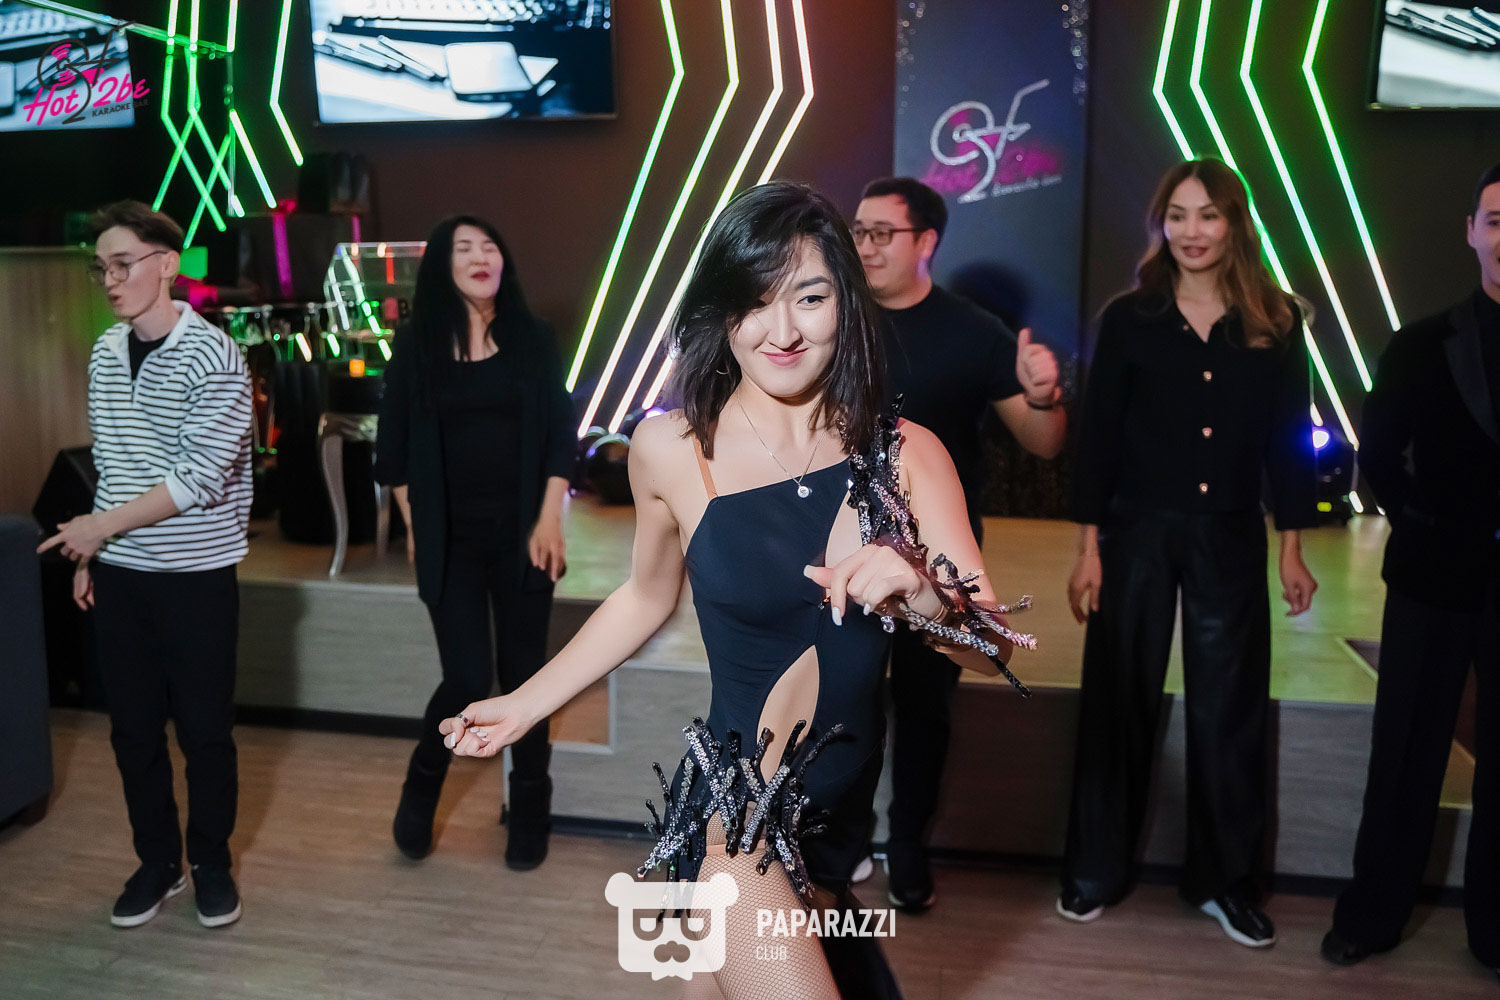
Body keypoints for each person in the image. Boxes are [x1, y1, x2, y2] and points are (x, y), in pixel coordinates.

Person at [439, 182, 1030, 998]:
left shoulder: (909, 454)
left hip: (836, 824)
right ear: (721, 312)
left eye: (809, 298)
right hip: (736, 817)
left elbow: (996, 649)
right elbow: (645, 597)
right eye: (754, 302)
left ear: (847, 302)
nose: (781, 331)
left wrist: (924, 592)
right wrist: (524, 704)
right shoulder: (672, 447)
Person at [1058, 158, 1318, 947]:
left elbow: (1289, 442)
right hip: (1135, 533)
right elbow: (1097, 441)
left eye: (1208, 215)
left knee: (1229, 709)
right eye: (1178, 215)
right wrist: (1087, 547)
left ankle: (1224, 883)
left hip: (1230, 533)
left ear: (1234, 223)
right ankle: (1095, 869)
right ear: (1160, 223)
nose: (1192, 231)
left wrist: (1292, 548)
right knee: (1118, 700)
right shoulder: (1129, 318)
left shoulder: (1276, 321)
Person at [853, 176, 1066, 910]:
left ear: (927, 242)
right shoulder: (833, 321)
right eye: (859, 231)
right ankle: (844, 838)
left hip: (936, 565)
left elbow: (1042, 442)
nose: (866, 246)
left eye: (883, 233)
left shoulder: (975, 332)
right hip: (840, 550)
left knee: (925, 709)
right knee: (844, 702)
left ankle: (908, 844)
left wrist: (1043, 397)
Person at [39, 201, 253, 929]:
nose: (109, 279)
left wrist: (97, 527)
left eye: (123, 264)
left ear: (167, 264)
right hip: (122, 572)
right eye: (101, 268)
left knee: (204, 732)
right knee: (132, 731)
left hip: (197, 577)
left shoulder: (215, 356)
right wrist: (92, 552)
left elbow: (197, 480)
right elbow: (113, 462)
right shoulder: (105, 351)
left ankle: (212, 864)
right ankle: (158, 862)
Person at [1321, 163, 1500, 974]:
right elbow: (1380, 457)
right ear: (1471, 232)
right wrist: (1429, 525)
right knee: (1404, 756)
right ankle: (1371, 916)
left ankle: (1495, 933)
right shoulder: (1423, 343)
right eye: (1495, 220)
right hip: (1433, 578)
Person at [374, 215, 574, 870]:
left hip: (524, 535)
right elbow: (392, 451)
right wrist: (414, 526)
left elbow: (560, 435)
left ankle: (530, 805)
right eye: (463, 248)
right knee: (464, 677)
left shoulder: (532, 338)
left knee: (523, 675)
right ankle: (423, 782)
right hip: (449, 539)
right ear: (442, 265)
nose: (480, 256)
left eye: (490, 245)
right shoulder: (417, 345)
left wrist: (550, 517)